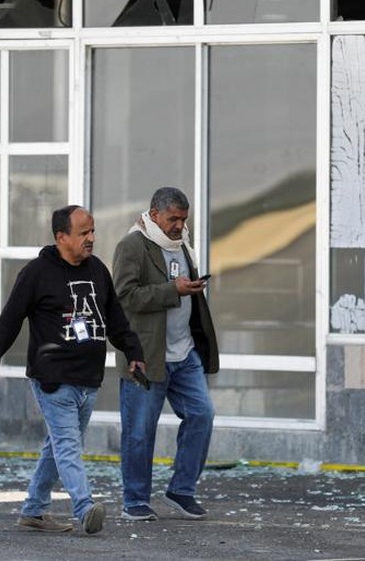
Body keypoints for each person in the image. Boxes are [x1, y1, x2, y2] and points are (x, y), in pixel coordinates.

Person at [0, 205, 146, 535]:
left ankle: (34, 510)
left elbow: (116, 319)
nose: (91, 238)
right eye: (83, 233)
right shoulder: (36, 273)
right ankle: (84, 507)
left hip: (89, 378)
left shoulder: (97, 270)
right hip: (53, 378)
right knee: (68, 446)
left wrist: (133, 351)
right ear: (61, 237)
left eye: (92, 231)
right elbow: (10, 320)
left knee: (58, 446)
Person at [113, 186, 219, 521]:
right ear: (155, 214)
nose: (179, 226)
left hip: (185, 354)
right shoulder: (132, 245)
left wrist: (189, 289)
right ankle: (135, 500)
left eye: (183, 219)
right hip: (147, 356)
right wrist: (173, 290)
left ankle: (181, 490)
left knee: (202, 415)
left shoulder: (182, 244)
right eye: (173, 219)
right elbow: (124, 297)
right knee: (139, 431)